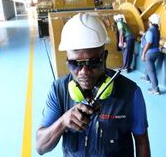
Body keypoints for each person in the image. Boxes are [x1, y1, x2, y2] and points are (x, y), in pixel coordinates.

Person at [36, 13, 151, 156]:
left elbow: (142, 143)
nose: (84, 72)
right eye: (75, 63)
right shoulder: (59, 90)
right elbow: (40, 147)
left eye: (93, 62)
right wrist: (63, 122)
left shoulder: (130, 93)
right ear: (67, 61)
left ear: (104, 57)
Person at [141, 14, 161, 95]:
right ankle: (147, 77)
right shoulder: (157, 30)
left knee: (151, 71)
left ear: (151, 22)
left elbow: (149, 42)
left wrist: (143, 53)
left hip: (150, 53)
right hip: (156, 52)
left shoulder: (150, 31)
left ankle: (155, 89)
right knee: (149, 67)